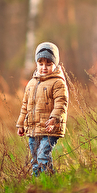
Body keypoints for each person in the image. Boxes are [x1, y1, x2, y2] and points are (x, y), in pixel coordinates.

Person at [16, 41, 69, 176]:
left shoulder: (58, 82)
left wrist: (53, 119)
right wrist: (20, 124)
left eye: (48, 64)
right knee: (34, 160)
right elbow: (25, 105)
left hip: (49, 128)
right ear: (36, 64)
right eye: (41, 64)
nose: (44, 67)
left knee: (42, 156)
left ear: (55, 64)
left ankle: (48, 180)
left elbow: (61, 102)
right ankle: (40, 183)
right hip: (33, 128)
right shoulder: (31, 83)